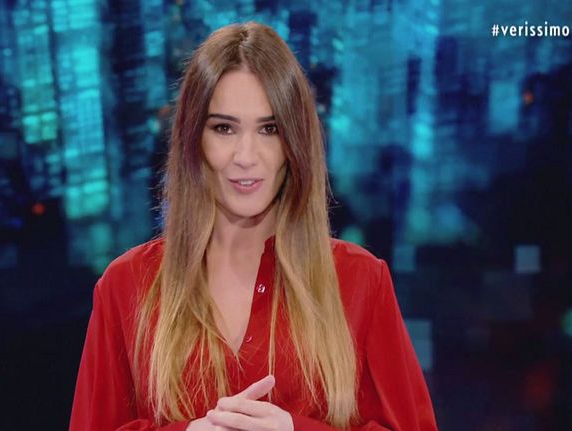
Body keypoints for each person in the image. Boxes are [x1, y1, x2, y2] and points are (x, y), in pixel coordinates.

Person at [69, 22, 437, 431]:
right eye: (224, 128)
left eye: (269, 129)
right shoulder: (125, 287)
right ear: (193, 139)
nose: (246, 156)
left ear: (294, 142)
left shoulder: (360, 280)